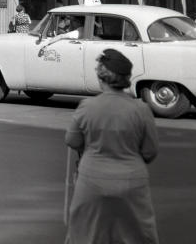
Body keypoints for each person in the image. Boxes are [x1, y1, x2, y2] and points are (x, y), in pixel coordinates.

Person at [64, 48, 159, 244]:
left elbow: (72, 141)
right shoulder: (141, 110)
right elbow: (150, 152)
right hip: (132, 180)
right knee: (137, 234)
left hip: (92, 180)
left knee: (87, 232)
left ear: (101, 78)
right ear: (127, 78)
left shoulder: (87, 107)